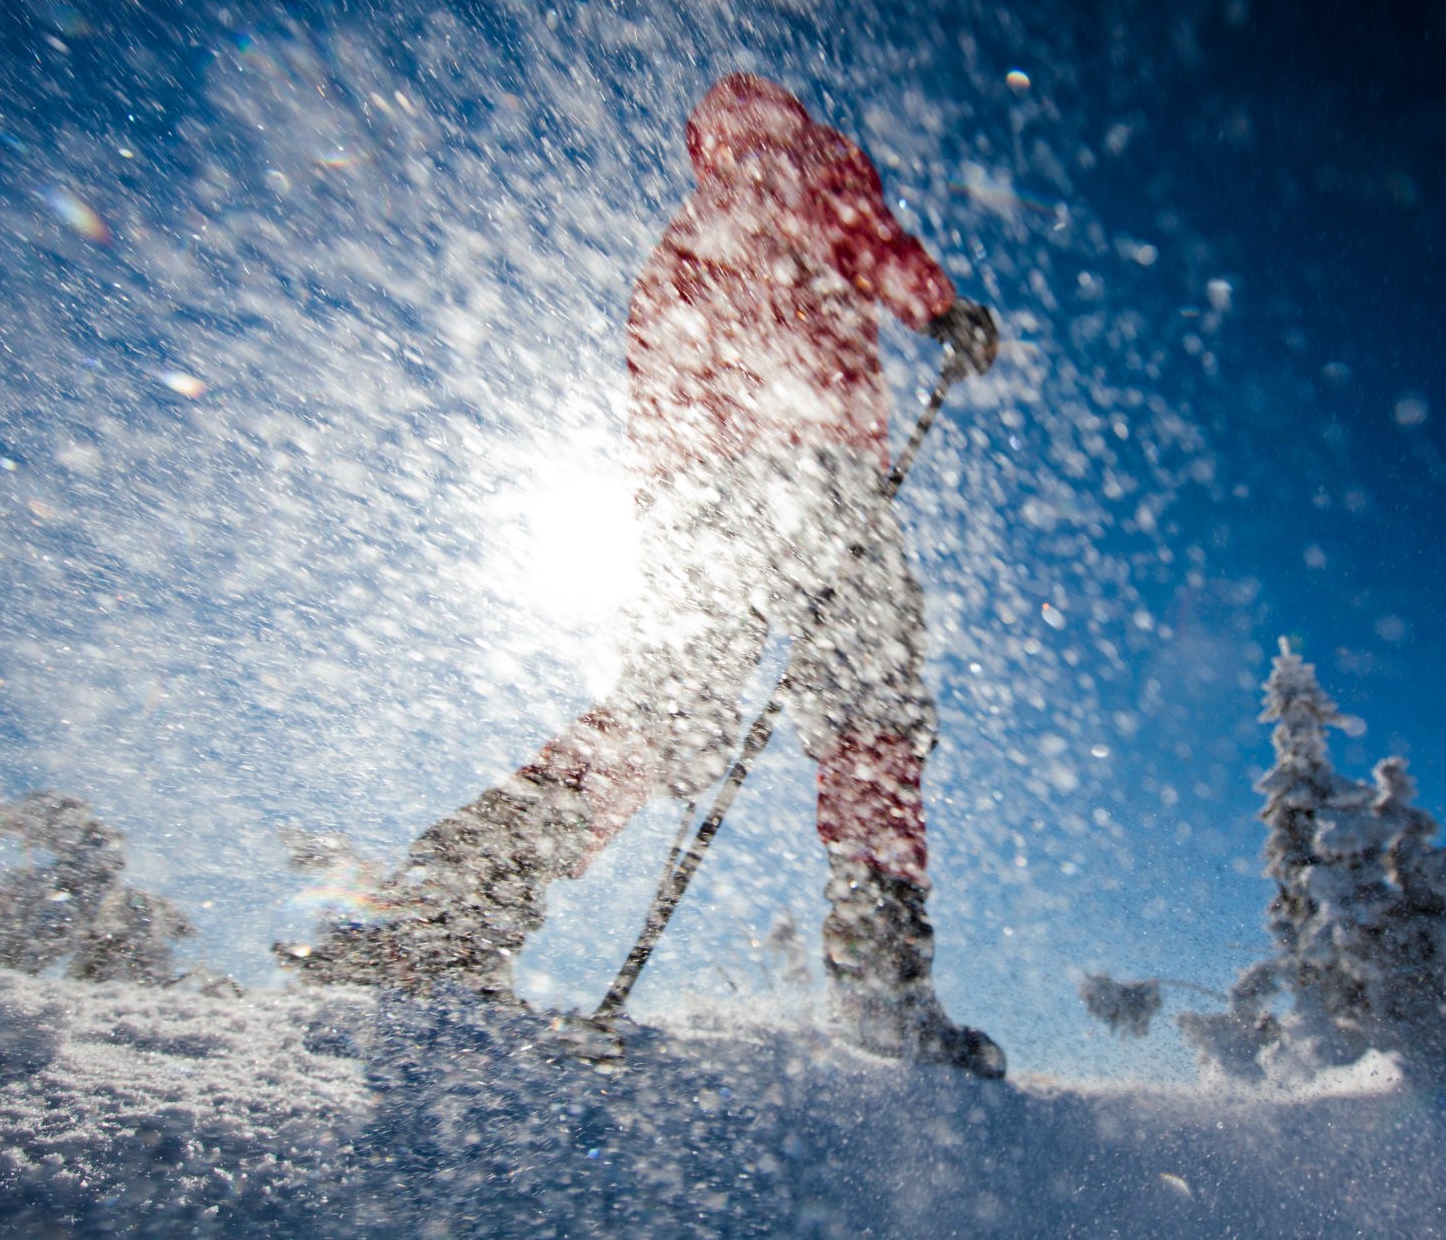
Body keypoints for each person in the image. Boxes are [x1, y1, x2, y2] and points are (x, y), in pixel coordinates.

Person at [288, 73, 1004, 1078]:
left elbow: (654, 378)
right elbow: (869, 245)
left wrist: (684, 506)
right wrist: (942, 310)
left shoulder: (679, 239)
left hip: (689, 499)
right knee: (869, 714)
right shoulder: (818, 176)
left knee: (663, 716)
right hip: (816, 472)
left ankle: (449, 913)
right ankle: (883, 984)